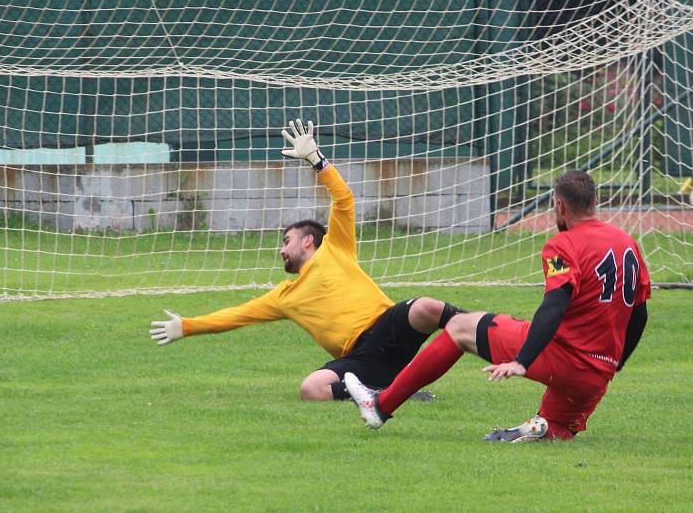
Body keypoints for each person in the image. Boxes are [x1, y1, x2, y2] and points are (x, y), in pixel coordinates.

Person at [149, 119, 465, 401]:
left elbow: (344, 199)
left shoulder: (335, 248)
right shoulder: (285, 297)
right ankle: (390, 391)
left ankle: (487, 328)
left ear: (308, 240)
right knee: (311, 388)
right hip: (360, 358)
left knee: (426, 307)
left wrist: (316, 160)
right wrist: (187, 326)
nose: (281, 250)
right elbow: (236, 316)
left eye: (287, 241)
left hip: (388, 327)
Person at [344, 170, 651, 441]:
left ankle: (380, 406)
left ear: (559, 205)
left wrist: (522, 360)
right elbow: (639, 314)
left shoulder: (564, 244)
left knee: (460, 327)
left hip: (565, 360)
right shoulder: (627, 242)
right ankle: (544, 427)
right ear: (593, 202)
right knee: (555, 427)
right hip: (596, 378)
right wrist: (615, 363)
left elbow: (554, 306)